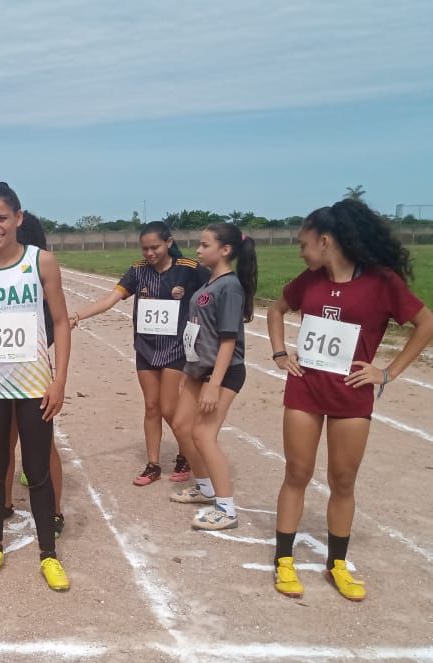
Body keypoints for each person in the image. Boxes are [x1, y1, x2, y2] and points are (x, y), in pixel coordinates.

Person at [267, 200, 433, 601]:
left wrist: (387, 372)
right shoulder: (309, 280)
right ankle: (284, 560)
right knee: (297, 473)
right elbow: (276, 310)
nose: (301, 252)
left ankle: (336, 563)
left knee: (343, 480)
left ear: (326, 242)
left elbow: (426, 322)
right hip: (305, 389)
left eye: (304, 244)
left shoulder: (381, 282)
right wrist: (279, 352)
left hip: (352, 395)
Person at [0, 183, 72, 591]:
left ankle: (48, 554)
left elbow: (60, 321)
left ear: (18, 219)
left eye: (2, 218)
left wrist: (59, 380)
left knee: (37, 470)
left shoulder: (41, 262)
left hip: (34, 386)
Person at [69, 221, 209, 485]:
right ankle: (153, 464)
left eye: (154, 247)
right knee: (152, 407)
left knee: (170, 408)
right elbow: (110, 300)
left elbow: (214, 291)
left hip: (176, 349)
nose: (149, 253)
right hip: (146, 348)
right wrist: (77, 316)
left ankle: (186, 454)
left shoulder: (188, 270)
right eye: (145, 249)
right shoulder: (137, 271)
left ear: (168, 243)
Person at [168, 223, 257, 531]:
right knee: (181, 425)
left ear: (225, 250)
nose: (198, 250)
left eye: (204, 245)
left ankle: (226, 508)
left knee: (204, 435)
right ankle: (205, 489)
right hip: (198, 370)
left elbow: (228, 340)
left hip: (222, 372)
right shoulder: (210, 282)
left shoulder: (229, 287)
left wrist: (213, 385)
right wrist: (190, 371)